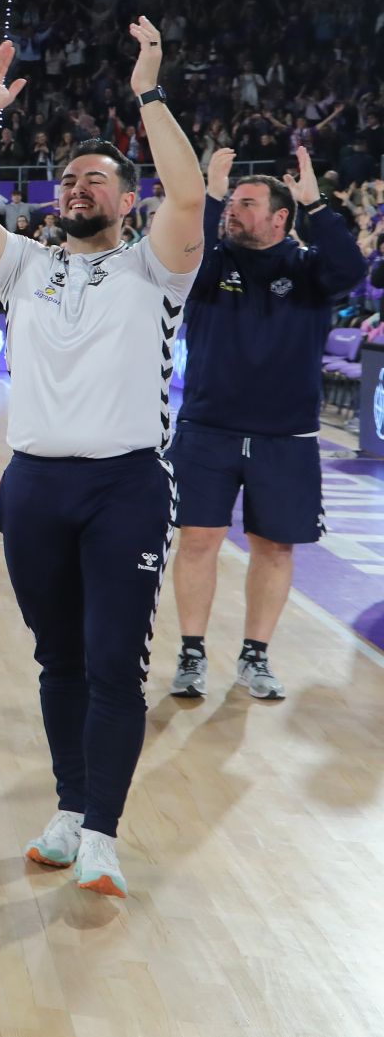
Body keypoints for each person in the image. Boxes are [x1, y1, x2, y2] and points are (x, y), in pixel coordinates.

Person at [0, 21, 205, 898]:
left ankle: (103, 832)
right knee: (59, 659)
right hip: (34, 484)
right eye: (67, 177)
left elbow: (192, 199)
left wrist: (148, 91)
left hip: (125, 484)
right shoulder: (25, 264)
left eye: (97, 177)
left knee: (115, 660)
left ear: (129, 200)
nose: (77, 185)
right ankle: (69, 806)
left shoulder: (156, 268)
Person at [167, 146, 365, 701]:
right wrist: (209, 194)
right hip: (208, 427)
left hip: (286, 437)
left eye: (246, 203)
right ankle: (191, 654)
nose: (234, 210)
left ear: (281, 217)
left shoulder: (309, 270)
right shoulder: (210, 266)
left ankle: (255, 656)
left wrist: (317, 207)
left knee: (275, 547)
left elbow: (352, 268)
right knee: (198, 538)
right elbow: (184, 249)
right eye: (232, 203)